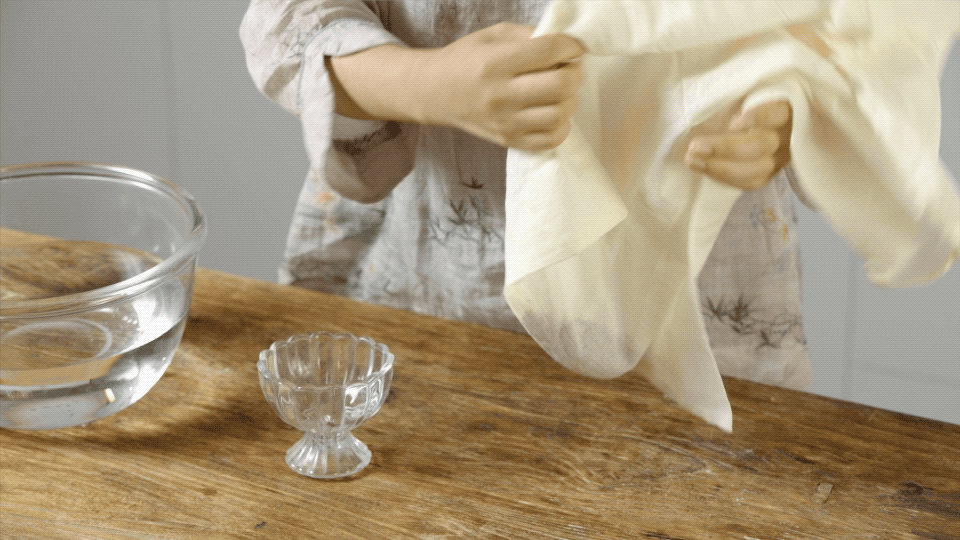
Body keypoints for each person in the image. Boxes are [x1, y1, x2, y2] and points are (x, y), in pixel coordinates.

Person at [240, 0, 812, 388]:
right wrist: (428, 84)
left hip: (702, 296)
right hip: (427, 283)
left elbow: (843, 36)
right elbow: (288, 16)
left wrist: (790, 121)